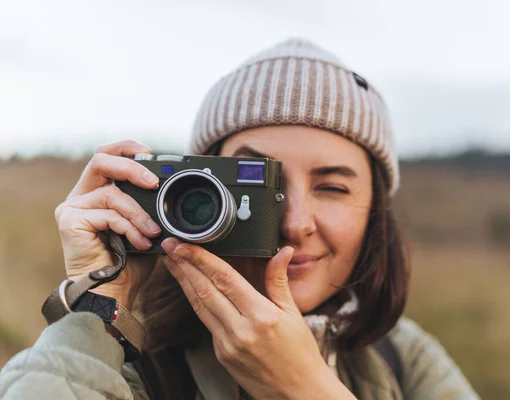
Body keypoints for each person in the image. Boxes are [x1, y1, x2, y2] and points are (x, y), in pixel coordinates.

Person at [0, 39, 479, 399]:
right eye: (259, 186)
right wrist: (99, 308)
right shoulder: (134, 368)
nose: (295, 223)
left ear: (377, 214)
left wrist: (309, 388)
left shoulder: (399, 357)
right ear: (190, 194)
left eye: (332, 187)